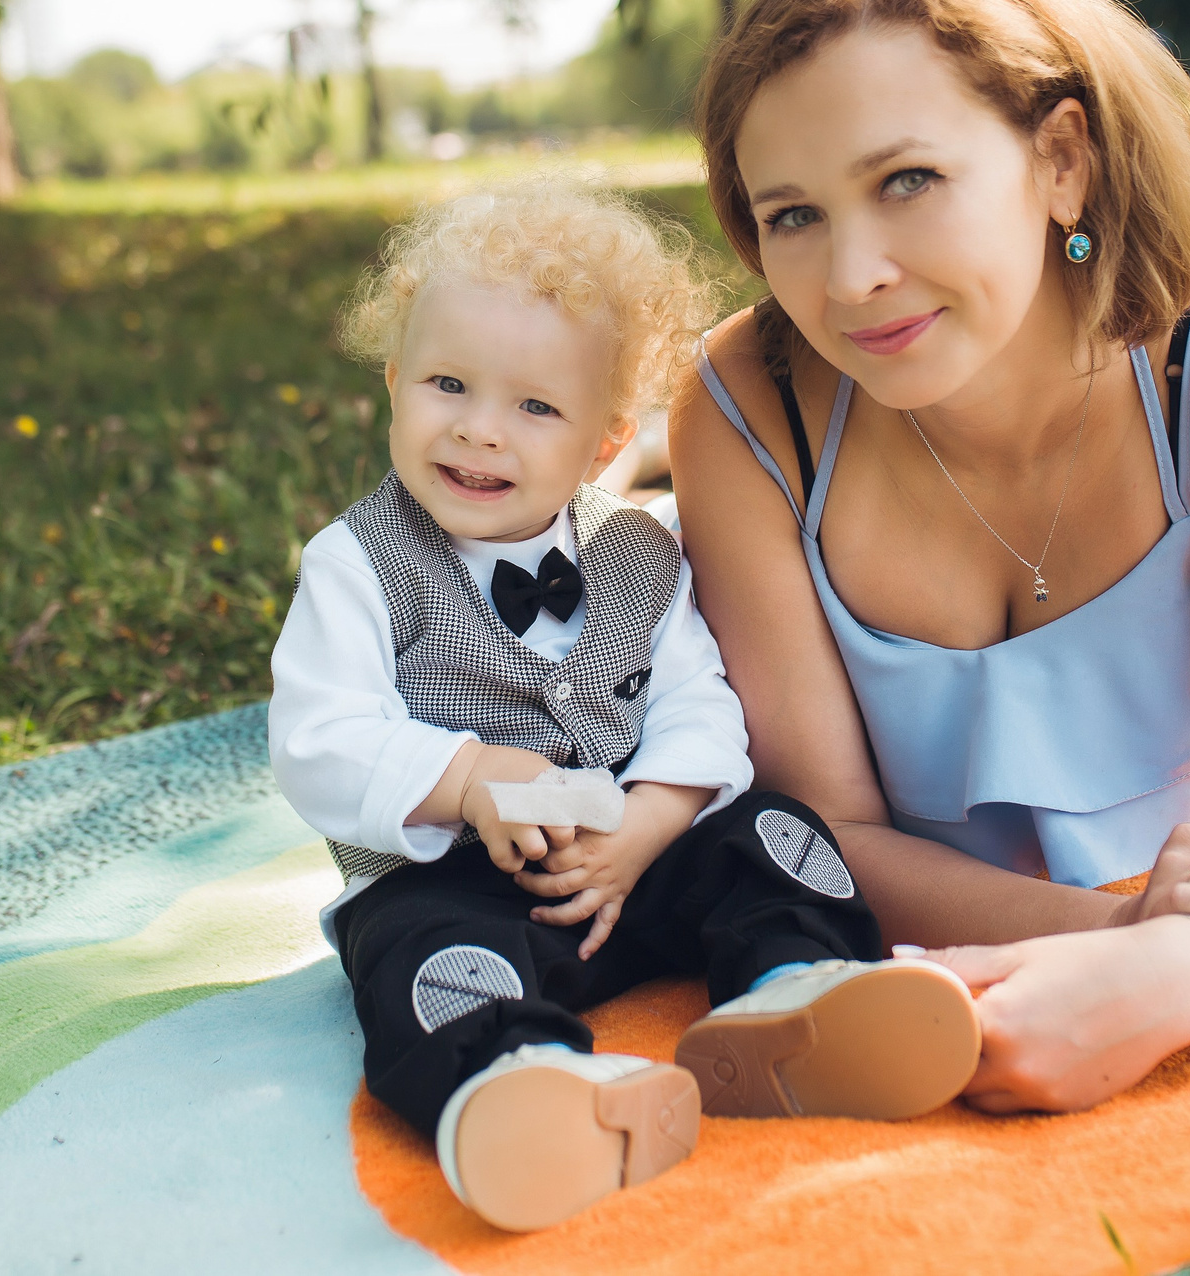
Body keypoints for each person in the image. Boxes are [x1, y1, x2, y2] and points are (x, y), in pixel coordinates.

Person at [671, 0, 1190, 1114]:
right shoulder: (748, 408)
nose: (850, 279)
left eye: (906, 180)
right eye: (792, 215)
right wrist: (1103, 935)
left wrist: (1180, 976)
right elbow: (821, 834)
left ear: (1061, 158)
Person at [268, 184, 981, 1233]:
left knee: (771, 835)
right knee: (420, 961)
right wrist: (467, 780)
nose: (478, 430)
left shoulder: (640, 550)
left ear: (605, 443)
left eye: (533, 406)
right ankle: (528, 1086)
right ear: (392, 382)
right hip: (452, 884)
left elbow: (703, 705)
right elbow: (316, 743)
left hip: (628, 870)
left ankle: (796, 994)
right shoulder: (360, 563)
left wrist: (650, 822)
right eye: (447, 383)